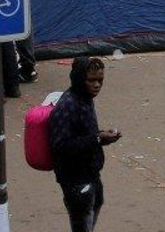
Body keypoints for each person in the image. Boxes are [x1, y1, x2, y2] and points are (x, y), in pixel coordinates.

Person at [49, 56, 119, 232]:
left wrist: (102, 137)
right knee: (82, 219)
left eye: (100, 80)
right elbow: (61, 145)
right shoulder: (68, 105)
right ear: (80, 79)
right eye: (92, 80)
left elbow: (84, 134)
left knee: (97, 202)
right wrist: (97, 139)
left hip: (90, 172)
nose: (97, 85)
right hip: (75, 177)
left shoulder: (85, 98)